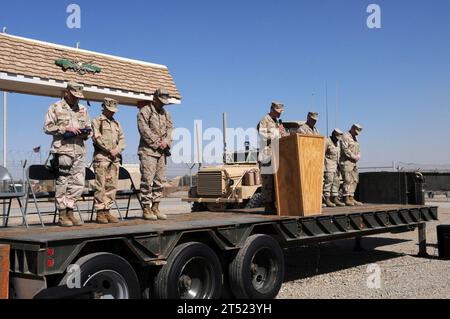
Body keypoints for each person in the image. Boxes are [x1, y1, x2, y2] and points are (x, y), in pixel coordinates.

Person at [44, 82, 92, 227]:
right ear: (67, 93)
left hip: (79, 150)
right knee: (63, 182)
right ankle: (62, 213)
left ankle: (70, 210)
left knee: (78, 182)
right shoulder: (56, 107)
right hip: (63, 150)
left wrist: (85, 133)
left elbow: (89, 128)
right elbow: (47, 127)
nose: (76, 99)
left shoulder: (82, 109)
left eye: (78, 97)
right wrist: (66, 128)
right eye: (74, 96)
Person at [137, 88, 173, 220]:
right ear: (155, 98)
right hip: (148, 152)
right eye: (161, 101)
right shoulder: (145, 111)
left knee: (159, 181)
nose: (163, 104)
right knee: (147, 180)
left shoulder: (165, 113)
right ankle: (146, 208)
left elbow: (170, 128)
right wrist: (158, 142)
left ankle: (155, 207)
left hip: (162, 152)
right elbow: (144, 130)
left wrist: (167, 141)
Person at [92, 98, 125, 224]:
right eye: (110, 110)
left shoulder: (117, 124)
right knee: (101, 186)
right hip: (102, 158)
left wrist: (117, 149)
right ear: (104, 107)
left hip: (114, 159)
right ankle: (100, 212)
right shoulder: (97, 121)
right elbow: (97, 138)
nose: (112, 113)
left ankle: (107, 210)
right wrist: (109, 149)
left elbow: (122, 139)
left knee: (112, 186)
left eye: (114, 111)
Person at [257, 101, 289, 213]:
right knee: (268, 182)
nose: (280, 114)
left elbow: (283, 136)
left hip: (277, 155)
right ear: (272, 109)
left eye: (280, 112)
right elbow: (262, 136)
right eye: (277, 112)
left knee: (276, 181)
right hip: (267, 154)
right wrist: (276, 132)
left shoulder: (277, 122)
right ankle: (268, 205)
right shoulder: (264, 120)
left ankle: (275, 203)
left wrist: (283, 132)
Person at [340, 124, 363, 206]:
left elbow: (358, 148)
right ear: (352, 129)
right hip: (346, 162)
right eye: (356, 131)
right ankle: (346, 197)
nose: (357, 134)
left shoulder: (355, 138)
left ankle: (351, 197)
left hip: (354, 163)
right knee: (347, 180)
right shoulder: (345, 137)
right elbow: (345, 149)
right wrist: (353, 157)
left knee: (355, 180)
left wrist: (358, 156)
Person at [323, 129, 345, 207]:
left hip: (336, 166)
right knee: (328, 182)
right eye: (336, 137)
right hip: (328, 166)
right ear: (333, 135)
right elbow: (322, 154)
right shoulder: (327, 141)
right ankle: (327, 199)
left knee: (336, 182)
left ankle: (335, 198)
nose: (337, 139)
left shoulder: (337, 143)